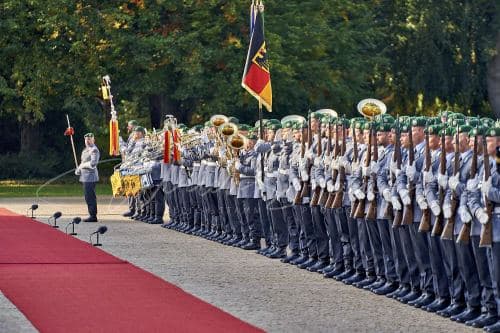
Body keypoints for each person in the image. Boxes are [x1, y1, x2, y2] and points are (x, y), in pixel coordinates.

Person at [75, 132, 100, 222]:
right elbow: (83, 161)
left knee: (90, 196)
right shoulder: (85, 150)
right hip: (84, 177)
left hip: (90, 176)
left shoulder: (94, 150)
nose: (88, 141)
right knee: (87, 196)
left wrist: (82, 166)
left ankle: (93, 216)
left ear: (93, 140)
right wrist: (78, 169)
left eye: (89, 139)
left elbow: (93, 164)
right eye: (86, 139)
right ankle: (91, 214)